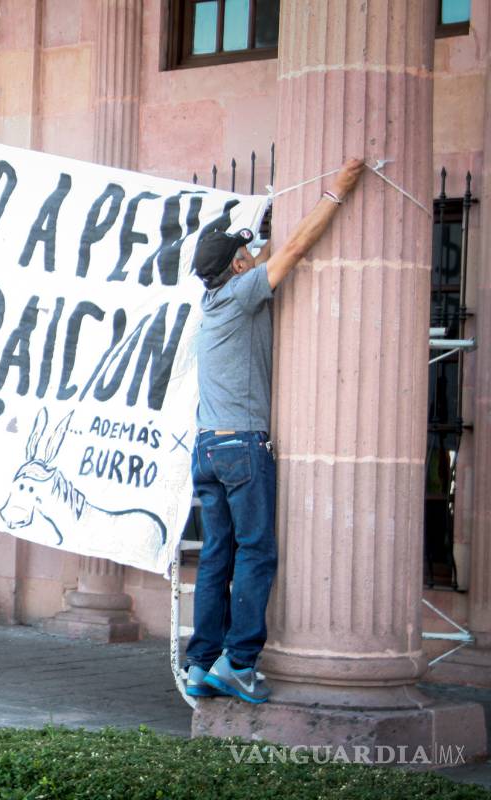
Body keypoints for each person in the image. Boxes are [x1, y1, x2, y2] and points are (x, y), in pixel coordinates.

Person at [183, 158, 367, 703]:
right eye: (245, 255)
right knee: (257, 553)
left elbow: (260, 254)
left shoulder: (215, 298)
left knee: (217, 555)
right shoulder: (243, 295)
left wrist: (248, 239)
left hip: (208, 447)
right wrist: (336, 192)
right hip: (241, 446)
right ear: (238, 269)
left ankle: (200, 664)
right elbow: (291, 252)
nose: (253, 256)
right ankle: (238, 664)